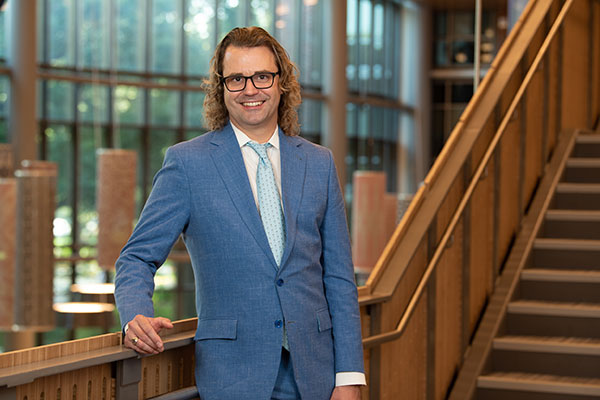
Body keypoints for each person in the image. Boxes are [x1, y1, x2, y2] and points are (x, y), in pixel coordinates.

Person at [114, 26, 365, 400]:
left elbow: (340, 279)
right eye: (236, 79)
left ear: (281, 82)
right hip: (233, 375)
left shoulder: (319, 163)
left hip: (317, 374)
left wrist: (349, 376)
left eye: (262, 76)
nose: (251, 89)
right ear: (221, 88)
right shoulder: (187, 164)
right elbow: (136, 257)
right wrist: (135, 313)